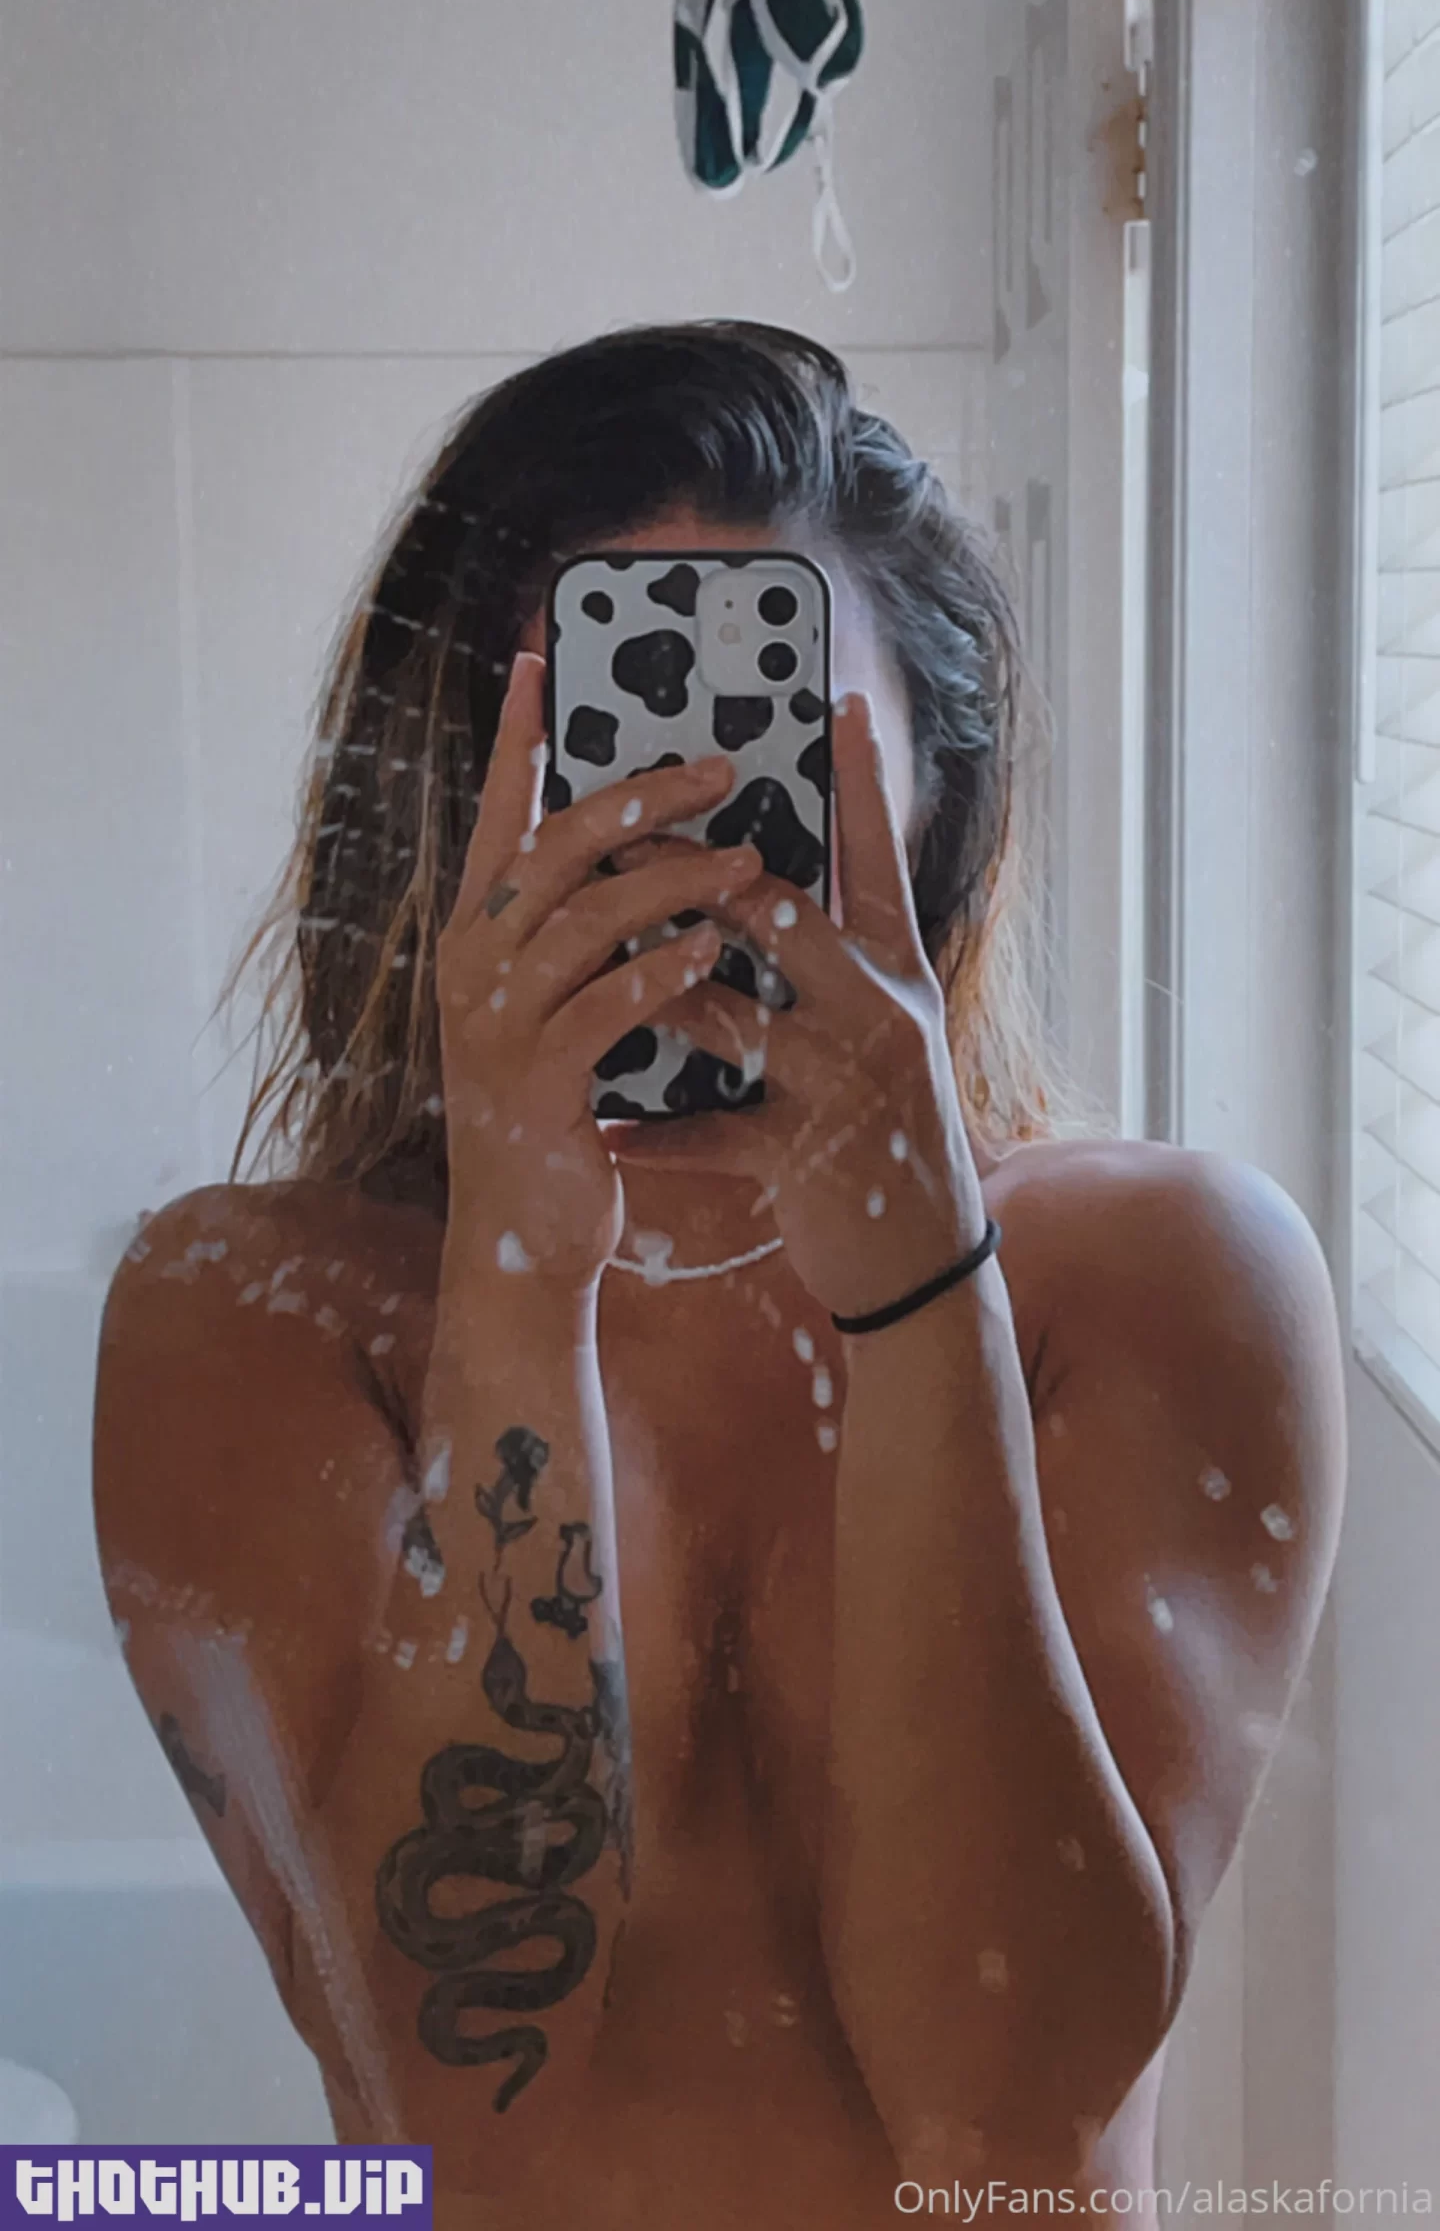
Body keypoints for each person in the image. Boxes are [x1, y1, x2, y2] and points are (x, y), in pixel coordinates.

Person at [93, 321, 1346, 2228]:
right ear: (451, 800)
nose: (683, 853)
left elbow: (1007, 2132)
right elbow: (452, 2120)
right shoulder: (262, 1317)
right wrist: (521, 1275)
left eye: (772, 760)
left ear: (935, 792)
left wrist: (924, 1299)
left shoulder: (1154, 1275)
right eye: (600, 763)